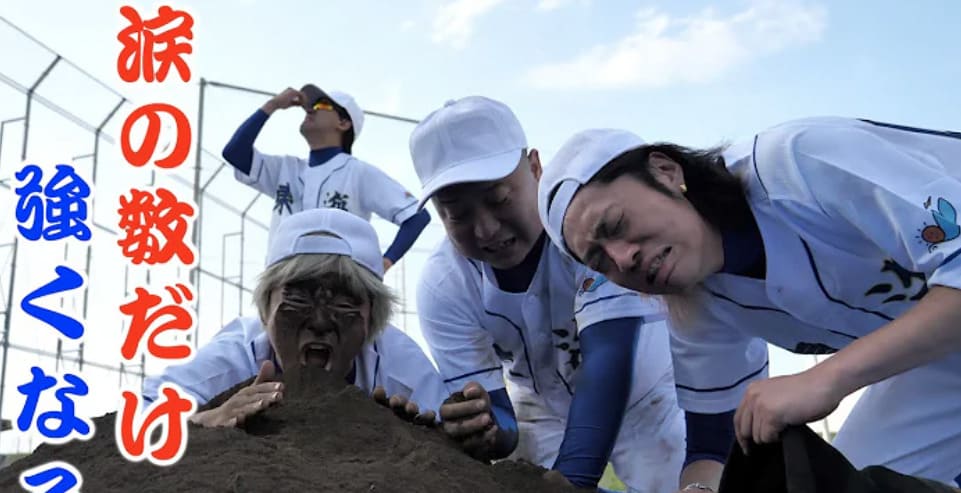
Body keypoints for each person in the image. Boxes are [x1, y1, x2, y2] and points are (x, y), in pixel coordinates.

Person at [536, 118, 961, 490]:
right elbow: (711, 442)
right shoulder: (698, 302)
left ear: (665, 171)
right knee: (834, 484)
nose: (622, 258)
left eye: (615, 224)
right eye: (599, 260)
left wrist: (825, 379)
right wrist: (699, 489)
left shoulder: (797, 162)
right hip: (941, 360)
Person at [408, 96, 685, 493]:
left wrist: (569, 482)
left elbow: (608, 358)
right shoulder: (443, 284)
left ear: (535, 167)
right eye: (458, 214)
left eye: (499, 199)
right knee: (514, 483)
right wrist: (488, 427)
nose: (486, 229)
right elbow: (503, 421)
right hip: (542, 407)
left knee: (687, 478)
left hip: (649, 388)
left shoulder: (585, 227)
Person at [142, 208, 447, 427]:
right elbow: (145, 410)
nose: (320, 322)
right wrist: (210, 418)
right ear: (265, 310)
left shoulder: (399, 367)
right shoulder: (237, 355)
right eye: (298, 299)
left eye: (344, 303)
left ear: (373, 320)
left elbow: (448, 428)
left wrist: (418, 434)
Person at [221, 83, 430, 272]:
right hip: (282, 282)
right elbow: (234, 153)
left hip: (336, 285)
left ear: (344, 123)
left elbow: (417, 216)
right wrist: (273, 105)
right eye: (311, 105)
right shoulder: (286, 169)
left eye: (322, 105)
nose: (311, 109)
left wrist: (384, 263)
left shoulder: (358, 172)